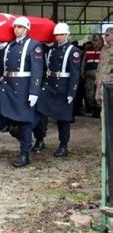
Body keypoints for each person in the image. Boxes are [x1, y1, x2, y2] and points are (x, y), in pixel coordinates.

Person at [0, 16, 43, 167]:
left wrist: (34, 91)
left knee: (24, 122)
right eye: (15, 27)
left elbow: (37, 70)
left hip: (22, 87)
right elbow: (2, 65)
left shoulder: (34, 45)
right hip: (7, 86)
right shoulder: (9, 46)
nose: (17, 29)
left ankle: (25, 153)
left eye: (20, 27)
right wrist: (1, 76)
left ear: (27, 29)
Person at [34, 23, 81, 157]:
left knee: (63, 119)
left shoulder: (73, 51)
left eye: (61, 34)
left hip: (63, 87)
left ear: (67, 35)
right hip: (49, 85)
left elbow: (75, 73)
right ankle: (39, 139)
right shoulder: (52, 49)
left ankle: (63, 145)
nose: (59, 37)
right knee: (40, 112)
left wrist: (72, 92)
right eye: (57, 35)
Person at [81, 34, 103, 117]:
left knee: (100, 94)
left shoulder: (105, 50)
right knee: (89, 95)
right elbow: (83, 63)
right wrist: (82, 73)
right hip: (89, 76)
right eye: (93, 40)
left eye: (96, 40)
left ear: (101, 41)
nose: (94, 42)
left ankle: (99, 111)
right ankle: (93, 109)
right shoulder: (88, 50)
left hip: (101, 77)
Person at [95, 27, 113, 106]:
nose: (105, 37)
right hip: (101, 81)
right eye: (104, 35)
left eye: (107, 35)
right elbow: (100, 64)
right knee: (102, 103)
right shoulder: (104, 49)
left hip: (110, 82)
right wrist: (97, 77)